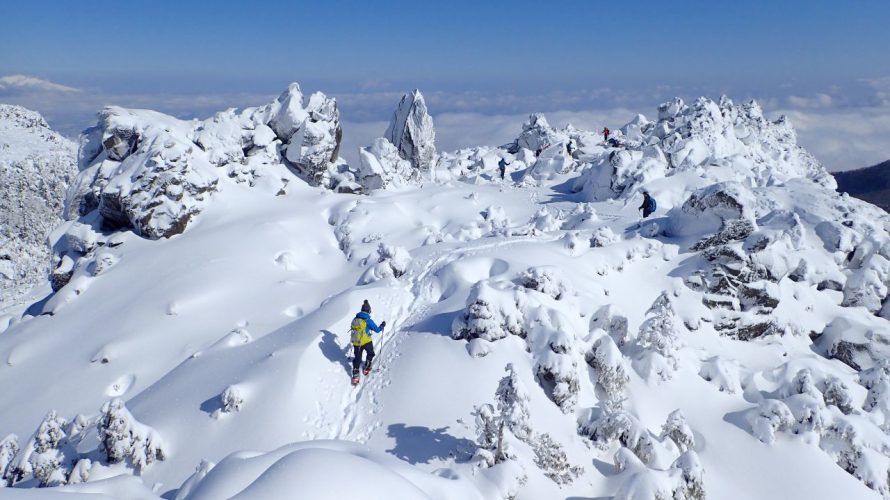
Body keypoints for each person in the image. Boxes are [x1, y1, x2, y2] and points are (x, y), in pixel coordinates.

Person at [350, 300, 385, 385]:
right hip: (366, 341)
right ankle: (367, 366)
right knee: (370, 353)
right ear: (369, 310)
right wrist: (382, 326)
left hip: (356, 342)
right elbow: (377, 330)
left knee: (357, 358)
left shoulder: (355, 319)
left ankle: (355, 374)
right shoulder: (368, 320)